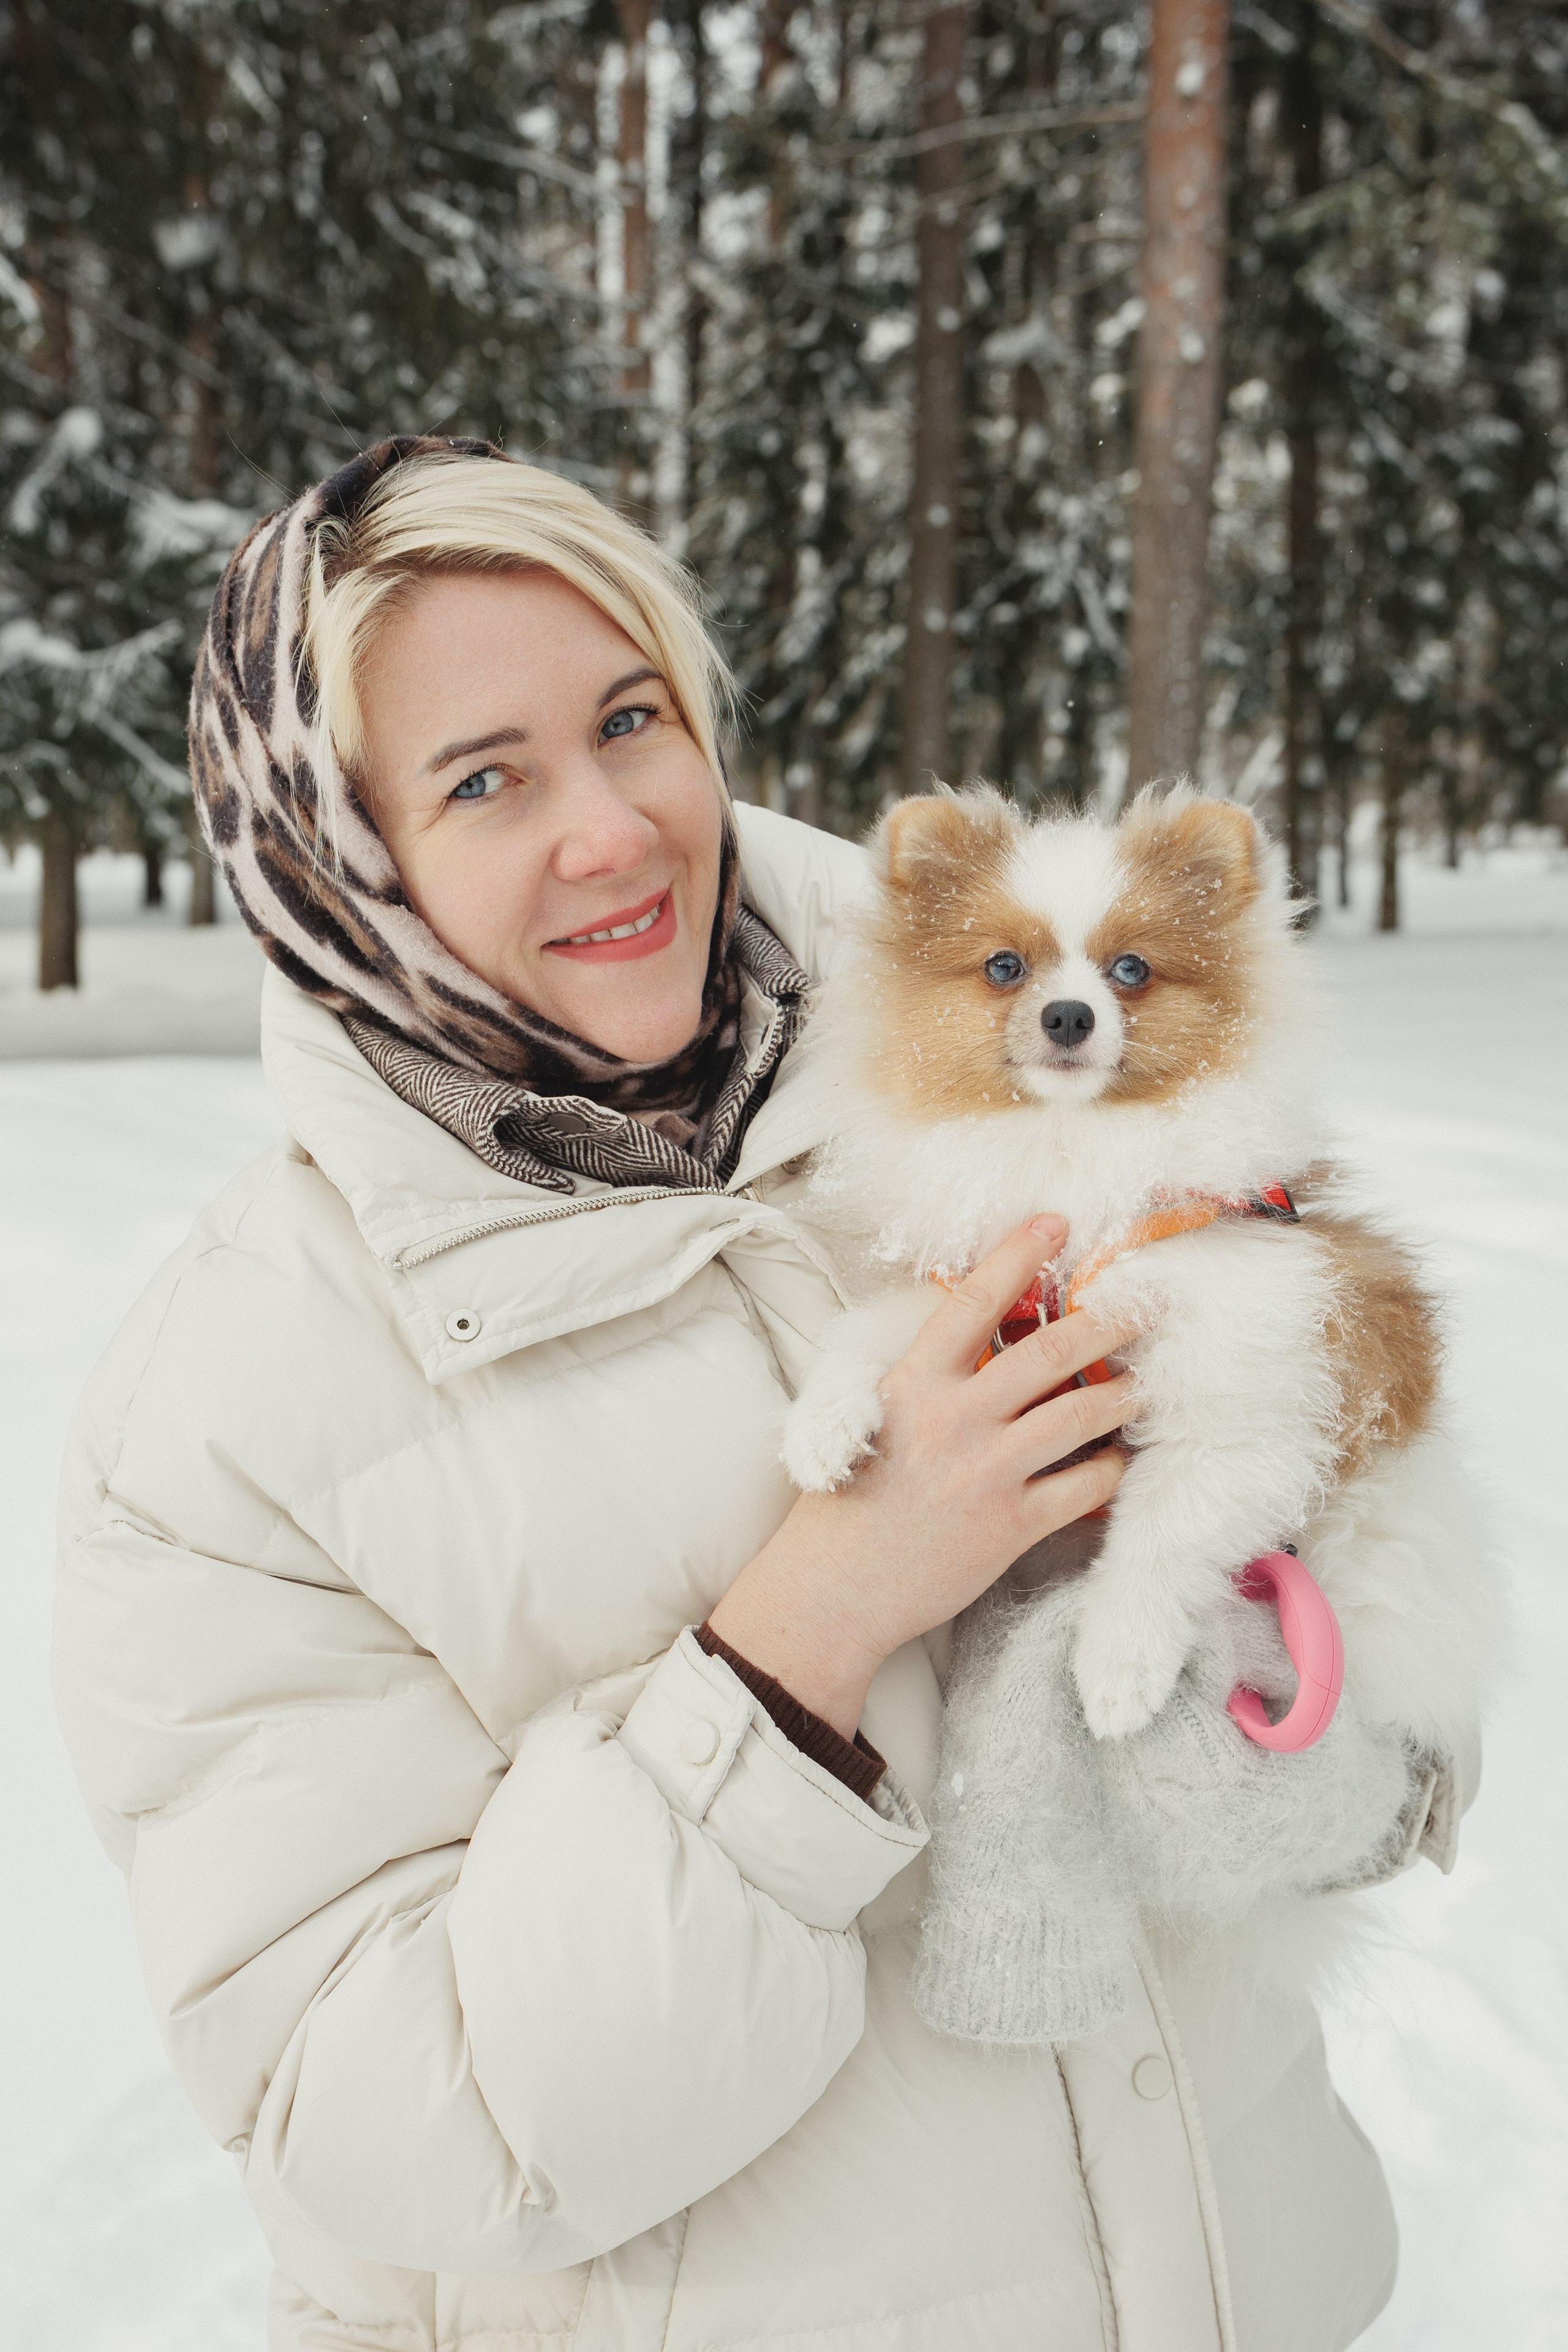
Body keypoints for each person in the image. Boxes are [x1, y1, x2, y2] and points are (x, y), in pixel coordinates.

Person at [54, 437, 1466, 2352]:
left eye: (634, 718)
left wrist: (1312, 1743)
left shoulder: (1031, 1120)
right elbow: (393, 2127)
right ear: (342, 865)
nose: (617, 826)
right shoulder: (228, 1415)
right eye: (487, 780)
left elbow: (1387, 1678)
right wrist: (813, 1635)